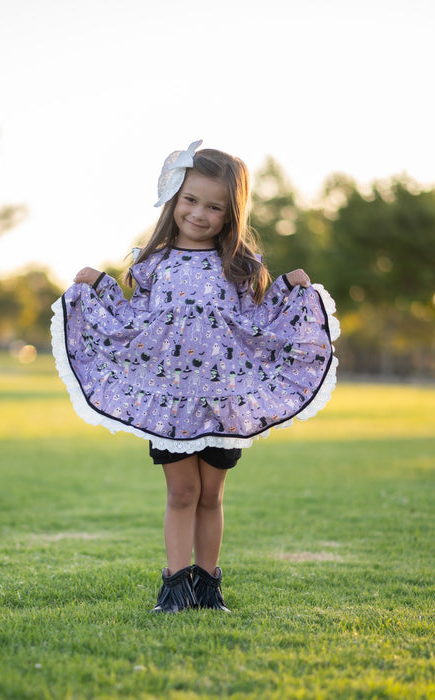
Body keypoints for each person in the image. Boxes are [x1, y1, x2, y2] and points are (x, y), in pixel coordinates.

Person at [51, 140, 339, 613]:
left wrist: (289, 287)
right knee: (182, 492)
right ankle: (174, 586)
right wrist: (98, 285)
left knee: (211, 494)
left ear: (231, 214)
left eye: (214, 207)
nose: (199, 214)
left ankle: (208, 586)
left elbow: (258, 326)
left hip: (222, 401)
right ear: (174, 201)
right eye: (190, 200)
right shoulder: (152, 264)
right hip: (169, 401)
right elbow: (132, 322)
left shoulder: (241, 269)